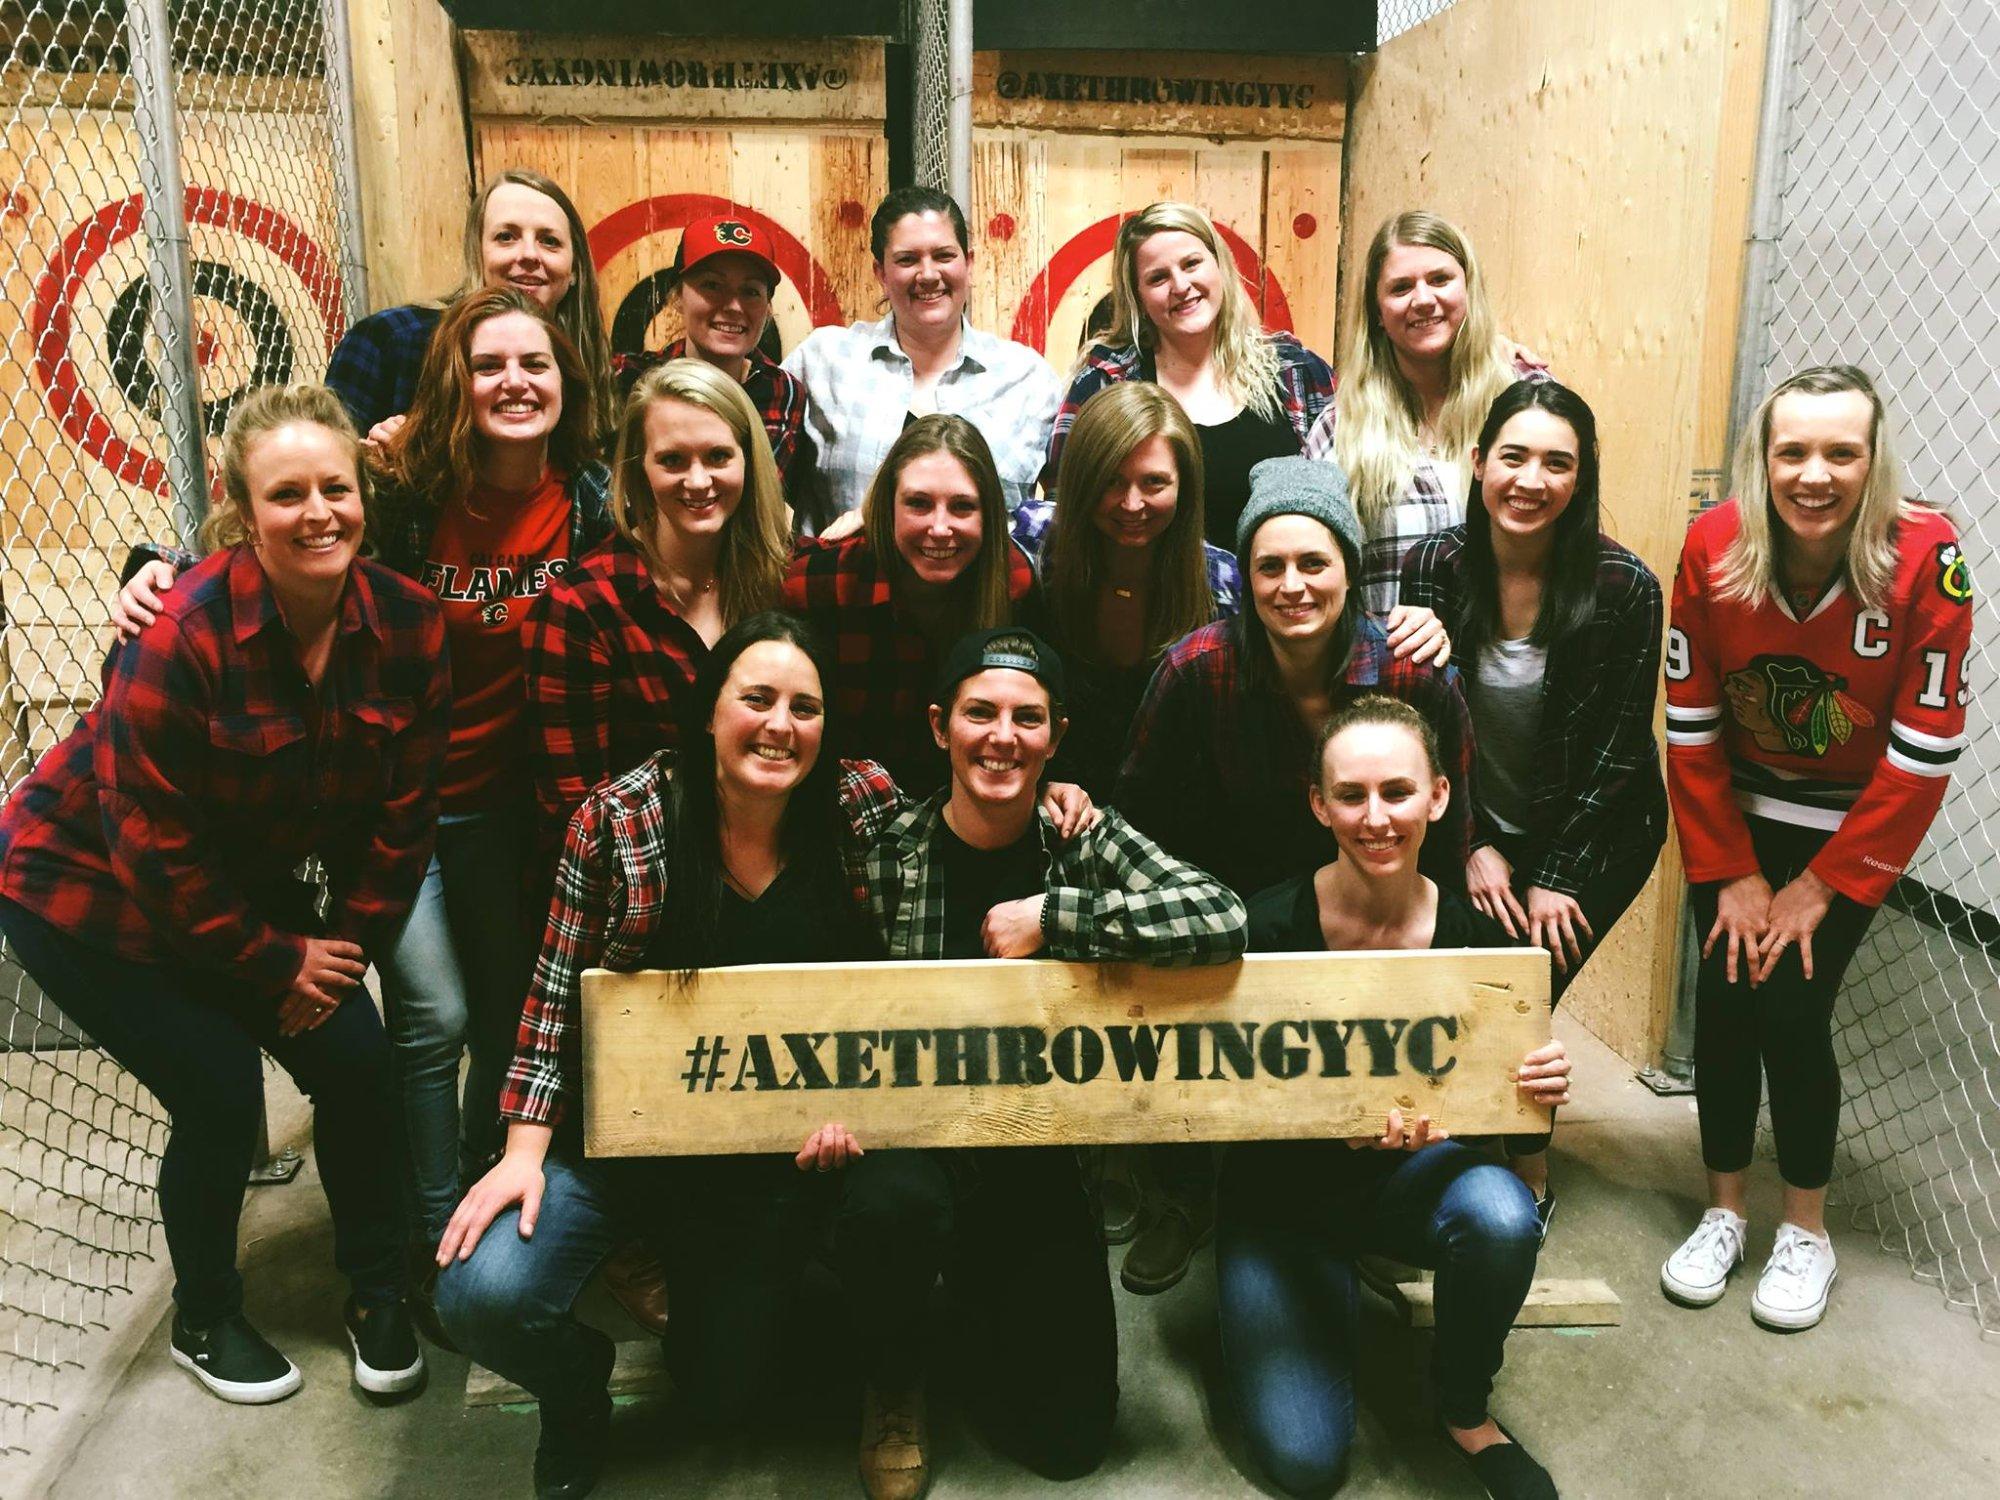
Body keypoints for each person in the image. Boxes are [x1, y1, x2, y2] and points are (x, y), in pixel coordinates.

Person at [433, 614, 1098, 1500]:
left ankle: (879, 1362)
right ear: (709, 710)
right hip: (639, 1137)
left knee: (748, 1369)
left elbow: (959, 831)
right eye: (756, 699)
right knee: (480, 1295)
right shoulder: (623, 820)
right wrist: (523, 1152)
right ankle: (577, 1391)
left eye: (805, 707)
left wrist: (1052, 796)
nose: (780, 725)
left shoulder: (859, 804)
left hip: (797, 1142)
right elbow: (554, 996)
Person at [111, 291, 614, 1328]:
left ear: (569, 383)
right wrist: (148, 571)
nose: (514, 382)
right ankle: (430, 1233)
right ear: (453, 385)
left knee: (509, 1018)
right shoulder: (403, 486)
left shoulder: (594, 498)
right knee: (435, 1015)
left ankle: (478, 1184)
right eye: (488, 365)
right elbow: (279, 534)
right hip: (397, 802)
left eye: (536, 363)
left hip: (510, 803)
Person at [0, 385, 448, 1404]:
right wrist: (275, 961)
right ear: (244, 516)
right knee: (215, 1087)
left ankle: (378, 1291)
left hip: (231, 880)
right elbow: (151, 849)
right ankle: (203, 1316)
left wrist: (339, 952)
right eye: (286, 495)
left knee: (358, 1060)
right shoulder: (180, 632)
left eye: (335, 487)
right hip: (80, 880)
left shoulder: (408, 624)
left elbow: (404, 817)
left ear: (363, 496)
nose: (318, 512)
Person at [830, 625, 1247, 1496]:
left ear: (1056, 738)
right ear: (940, 726)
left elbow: (1220, 916)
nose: (1002, 737)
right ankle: (892, 1372)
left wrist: (1058, 918)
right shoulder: (886, 846)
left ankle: (970, 1300)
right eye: (979, 714)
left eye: (1027, 719)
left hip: (1036, 1151)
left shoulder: (1080, 838)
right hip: (910, 1151)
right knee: (891, 1206)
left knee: (1070, 1442)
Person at [1113, 455, 1476, 1294]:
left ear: (1349, 568)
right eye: (1269, 566)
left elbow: (1449, 840)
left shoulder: (1414, 675)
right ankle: (1187, 1193)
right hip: (1227, 908)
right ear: (1245, 578)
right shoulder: (1195, 669)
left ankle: (1374, 1199)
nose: (1292, 585)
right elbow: (1136, 821)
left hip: (1369, 898)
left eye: (1314, 562)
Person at [1661, 364, 1970, 1331]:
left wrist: (1825, 884)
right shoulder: (1714, 543)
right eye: (1792, 451)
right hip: (1743, 805)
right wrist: (1731, 871)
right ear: (1762, 459)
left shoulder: (1927, 555)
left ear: (1875, 461)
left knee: (1791, 1007)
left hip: (1853, 816)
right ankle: (1723, 1211)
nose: (1814, 474)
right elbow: (1691, 723)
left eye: (1842, 452)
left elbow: (1926, 748)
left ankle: (1806, 1231)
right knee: (1724, 997)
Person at [1226, 693, 1570, 1500]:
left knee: (1501, 1213)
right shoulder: (1262, 931)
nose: (1376, 818)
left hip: (1408, 1185)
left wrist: (1539, 1092)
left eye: (1397, 792)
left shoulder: (1481, 944)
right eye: (1351, 795)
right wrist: (1326, 1129)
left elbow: (1512, 1119)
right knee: (1307, 1466)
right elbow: (1216, 1105)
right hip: (1278, 1200)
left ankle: (1464, 1408)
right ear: (1319, 805)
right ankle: (1305, 1295)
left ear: (1438, 797)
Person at [1398, 379, 1666, 1221]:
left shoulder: (1625, 587)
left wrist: (1558, 873)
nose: (1531, 480)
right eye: (1513, 457)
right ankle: (1461, 1143)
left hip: (1601, 829)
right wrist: (1473, 841)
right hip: (1477, 822)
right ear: (1479, 464)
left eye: (1557, 463)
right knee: (1470, 983)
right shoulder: (1434, 565)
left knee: (1522, 990)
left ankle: (1528, 1174)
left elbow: (1619, 746)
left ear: (1581, 478)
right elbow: (1424, 727)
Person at [522, 356, 792, 846]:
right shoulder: (583, 607)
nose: (698, 481)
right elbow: (574, 815)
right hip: (642, 868)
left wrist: (871, 512)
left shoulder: (785, 577)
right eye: (672, 460)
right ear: (638, 469)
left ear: (750, 461)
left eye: (718, 456)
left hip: (773, 854)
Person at [1045, 201, 1335, 550]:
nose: (1181, 285)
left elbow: (1343, 504)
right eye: (1158, 278)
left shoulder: (1296, 371)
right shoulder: (1105, 383)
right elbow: (1064, 510)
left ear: (1220, 265)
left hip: (1281, 582)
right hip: (1150, 585)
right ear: (1138, 297)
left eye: (1191, 264)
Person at [1306, 209, 1547, 618]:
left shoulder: (1528, 398)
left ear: (1468, 289)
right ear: (1377, 312)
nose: (1422, 299)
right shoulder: (1340, 429)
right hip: (1388, 655)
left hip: (1510, 652)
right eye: (1401, 288)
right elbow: (1311, 567)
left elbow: (1580, 538)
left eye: (1439, 279)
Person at [784, 413, 1040, 796]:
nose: (940, 528)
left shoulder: (1013, 584)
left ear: (988, 514)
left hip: (967, 800)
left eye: (962, 507)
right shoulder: (819, 583)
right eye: (918, 504)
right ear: (888, 506)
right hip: (841, 800)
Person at [1010, 380, 1239, 798]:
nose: (1132, 504)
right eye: (1111, 481)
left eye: (1154, 483)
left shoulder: (1224, 585)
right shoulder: (1031, 541)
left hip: (1168, 808)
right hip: (1041, 796)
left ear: (1184, 486)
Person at [784, 186, 1061, 518]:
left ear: (969, 263)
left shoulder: (1029, 379)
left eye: (944, 256)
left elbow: (1068, 505)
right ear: (881, 274)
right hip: (843, 555)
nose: (928, 275)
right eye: (907, 259)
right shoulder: (823, 361)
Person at [328, 168, 617, 446]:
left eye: (549, 241)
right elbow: (329, 463)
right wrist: (379, 461)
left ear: (575, 268)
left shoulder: (589, 364)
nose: (529, 254)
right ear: (476, 253)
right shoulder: (391, 340)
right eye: (506, 237)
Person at [610, 215, 812, 499]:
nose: (734, 306)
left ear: (767, 308)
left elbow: (747, 500)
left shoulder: (777, 389)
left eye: (750, 291)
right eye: (712, 285)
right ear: (677, 297)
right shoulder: (630, 376)